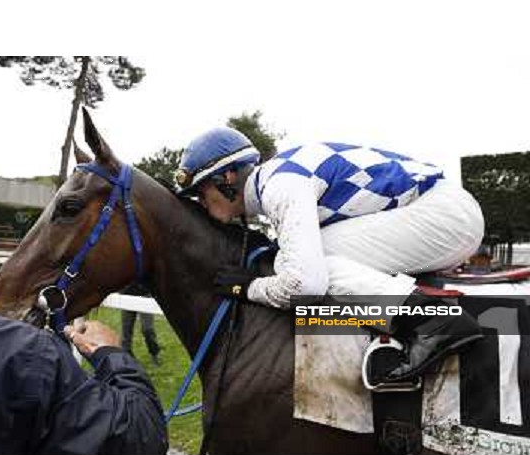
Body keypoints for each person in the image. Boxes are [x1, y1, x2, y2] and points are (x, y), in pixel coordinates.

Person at [174, 127, 485, 383]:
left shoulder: (279, 186)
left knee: (295, 263)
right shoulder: (278, 176)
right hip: (442, 211)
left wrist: (250, 287)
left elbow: (306, 285)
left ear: (227, 178)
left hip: (445, 216)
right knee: (299, 254)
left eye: (201, 192)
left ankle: (434, 321)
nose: (202, 203)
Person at [0, 296, 168, 454]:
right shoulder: (28, 352)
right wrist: (110, 353)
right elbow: (140, 438)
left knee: (147, 329)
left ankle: (155, 352)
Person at [121, 283, 161, 366]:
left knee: (147, 329)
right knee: (126, 330)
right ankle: (128, 357)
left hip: (144, 296)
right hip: (127, 297)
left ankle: (154, 353)